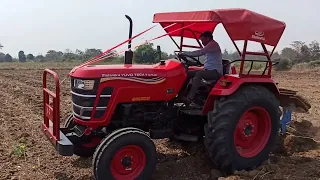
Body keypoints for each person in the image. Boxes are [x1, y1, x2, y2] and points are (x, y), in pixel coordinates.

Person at [179, 31, 223, 106]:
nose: (202, 43)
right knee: (186, 73)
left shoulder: (212, 44)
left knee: (199, 74)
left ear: (208, 38)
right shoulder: (209, 45)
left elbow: (199, 52)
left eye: (203, 40)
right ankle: (180, 95)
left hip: (215, 72)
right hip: (208, 70)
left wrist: (184, 53)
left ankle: (189, 99)